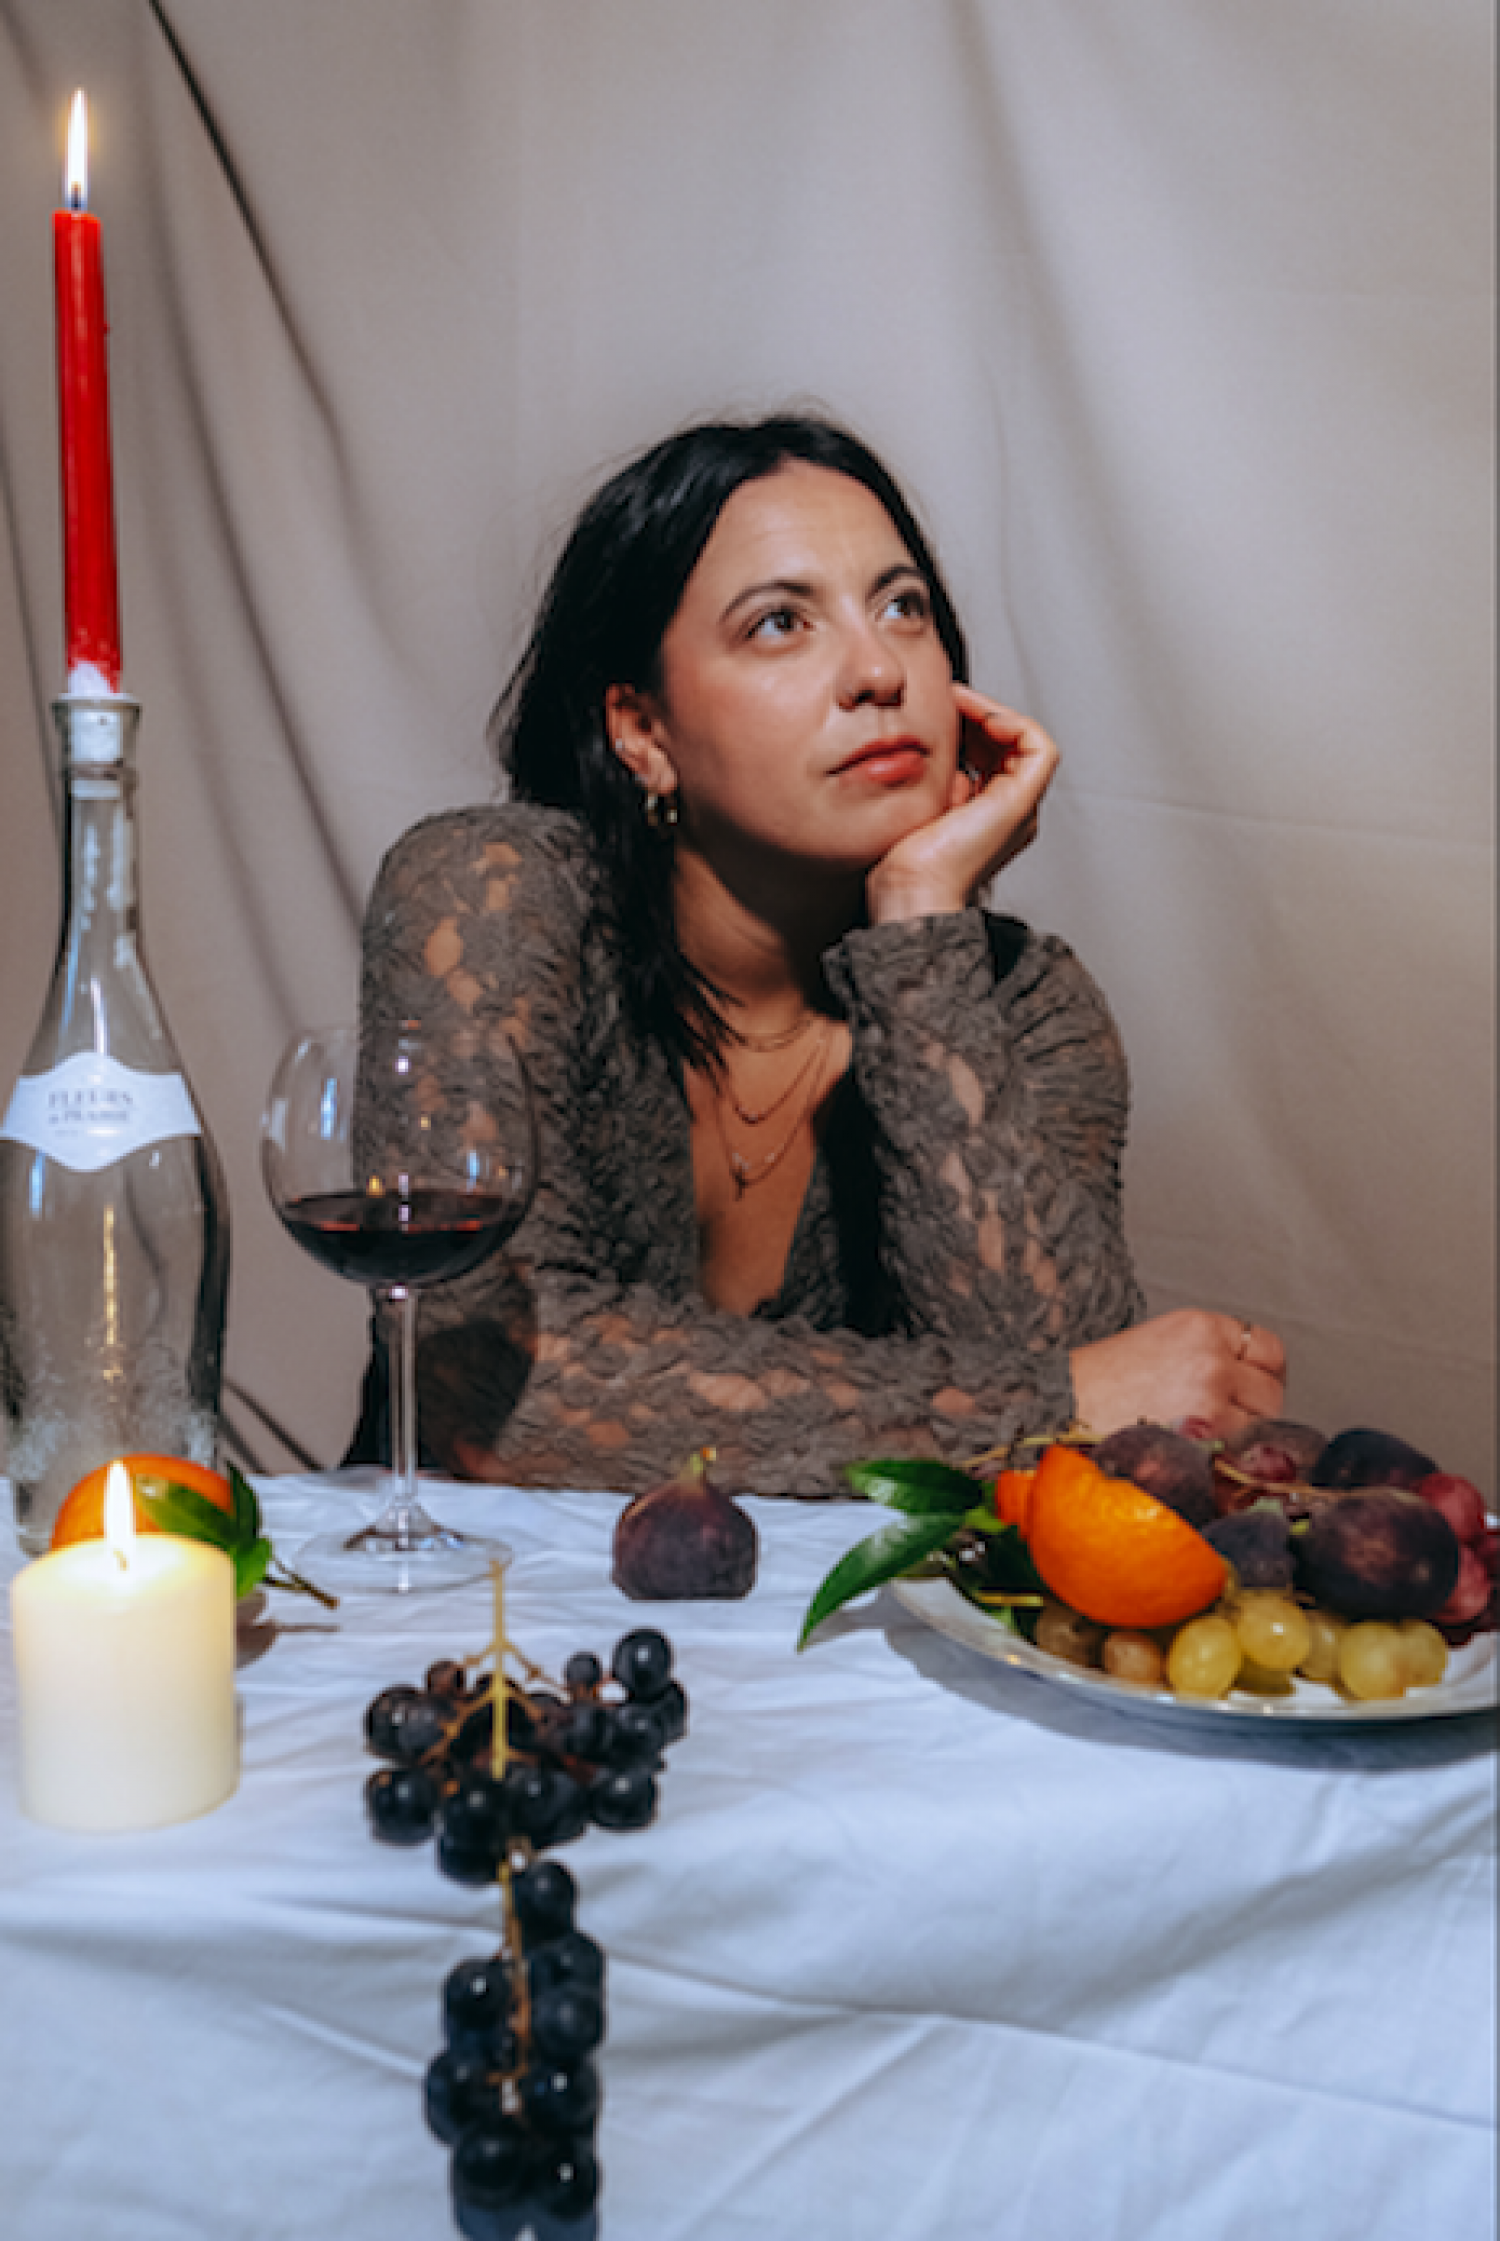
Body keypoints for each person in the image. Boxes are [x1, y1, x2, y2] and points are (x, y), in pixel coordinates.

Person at [349, 414, 1285, 1494]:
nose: (878, 670)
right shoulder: (493, 897)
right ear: (641, 730)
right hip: (461, 1595)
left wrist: (922, 925)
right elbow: (492, 1389)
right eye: (781, 623)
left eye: (903, 608)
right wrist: (1052, 1407)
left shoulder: (1023, 1002)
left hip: (860, 1615)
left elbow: (1081, 1479)